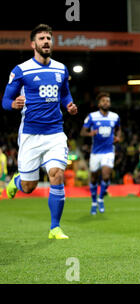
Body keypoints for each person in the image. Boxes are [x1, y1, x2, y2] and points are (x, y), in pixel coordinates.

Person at [2, 24, 78, 239]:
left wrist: (70, 105)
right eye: (42, 38)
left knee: (57, 175)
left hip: (55, 133)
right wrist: (13, 105)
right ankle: (17, 182)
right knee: (29, 187)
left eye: (49, 38)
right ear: (33, 44)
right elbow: (6, 100)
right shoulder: (21, 70)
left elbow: (65, 94)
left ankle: (55, 227)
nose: (46, 41)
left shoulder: (61, 69)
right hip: (30, 135)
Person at [81, 92, 121, 215]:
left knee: (106, 176)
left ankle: (101, 199)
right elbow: (83, 132)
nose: (106, 103)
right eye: (103, 101)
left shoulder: (115, 117)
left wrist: (118, 137)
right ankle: (94, 202)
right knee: (93, 178)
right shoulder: (92, 117)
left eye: (108, 101)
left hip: (108, 151)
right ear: (99, 104)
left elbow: (119, 129)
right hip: (95, 152)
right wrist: (90, 134)